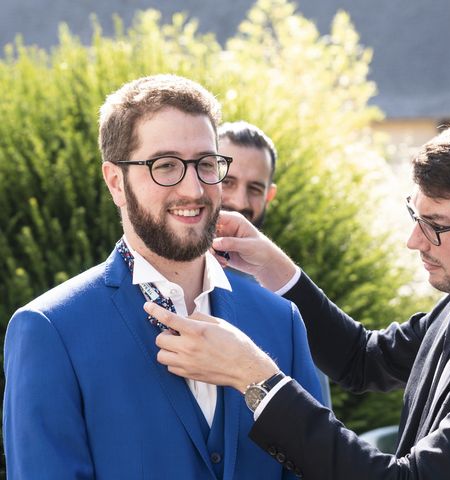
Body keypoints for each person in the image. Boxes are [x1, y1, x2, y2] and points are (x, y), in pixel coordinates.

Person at [148, 105, 450, 479]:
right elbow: (364, 360)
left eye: (437, 226)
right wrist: (277, 268)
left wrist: (256, 379)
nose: (415, 240)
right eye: (416, 215)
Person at [2, 74, 322, 479]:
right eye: (166, 166)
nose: (193, 189)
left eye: (207, 164)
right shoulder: (50, 331)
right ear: (117, 182)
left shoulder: (281, 321)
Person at [218, 120, 332, 408]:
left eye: (254, 188)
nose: (239, 201)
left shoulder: (287, 301)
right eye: (227, 182)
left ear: (270, 195)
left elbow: (315, 418)